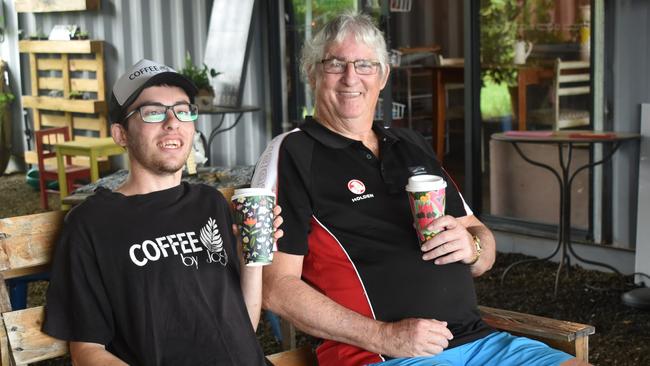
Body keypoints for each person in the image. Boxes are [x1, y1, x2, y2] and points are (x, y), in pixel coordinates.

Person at [252, 12, 589, 366]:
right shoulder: (293, 152)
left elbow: (481, 241)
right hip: (383, 355)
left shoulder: (409, 143)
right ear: (312, 73)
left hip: (484, 344)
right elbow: (276, 287)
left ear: (382, 76)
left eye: (365, 65)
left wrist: (473, 248)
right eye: (336, 64)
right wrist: (385, 335)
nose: (351, 77)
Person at [43, 59, 282, 365]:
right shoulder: (92, 225)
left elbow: (242, 328)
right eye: (153, 112)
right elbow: (87, 351)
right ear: (121, 134)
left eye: (183, 110)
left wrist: (250, 261)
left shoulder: (209, 203)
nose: (172, 122)